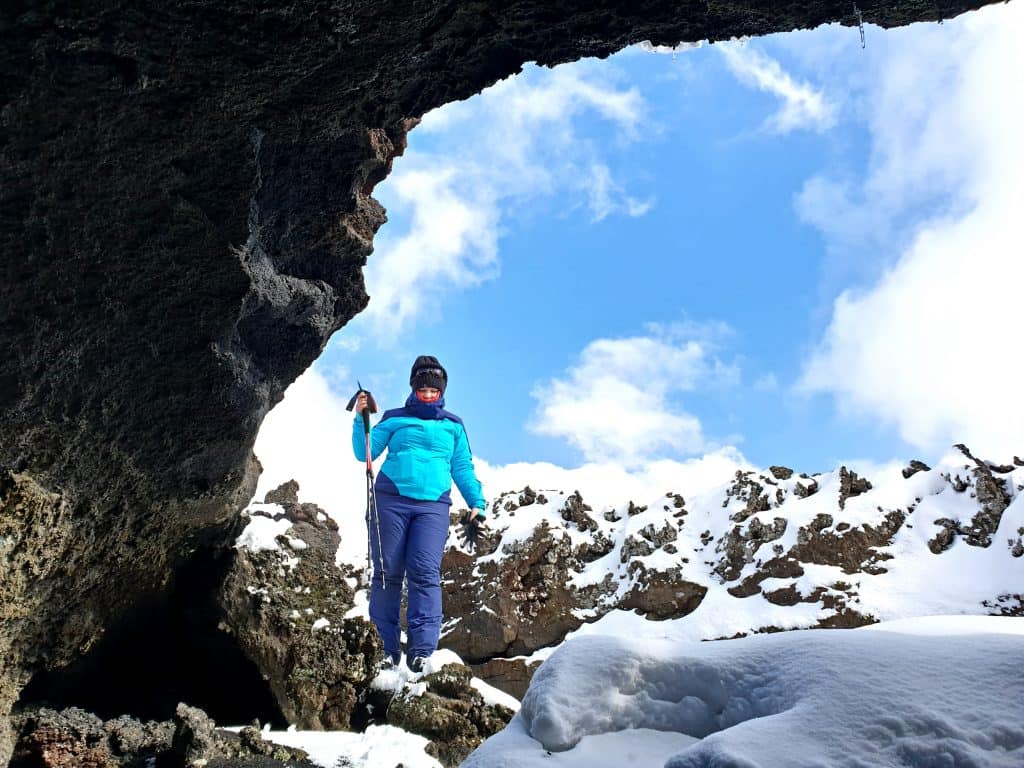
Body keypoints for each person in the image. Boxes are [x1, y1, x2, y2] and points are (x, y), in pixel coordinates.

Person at [352, 355, 486, 673]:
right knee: (387, 573)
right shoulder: (394, 418)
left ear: (442, 391)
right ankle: (385, 649)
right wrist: (362, 419)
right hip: (391, 501)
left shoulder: (453, 425)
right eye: (423, 389)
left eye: (434, 390)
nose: (428, 394)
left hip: (432, 507)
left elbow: (462, 466)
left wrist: (476, 502)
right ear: (414, 388)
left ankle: (422, 652)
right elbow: (364, 452)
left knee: (425, 573)